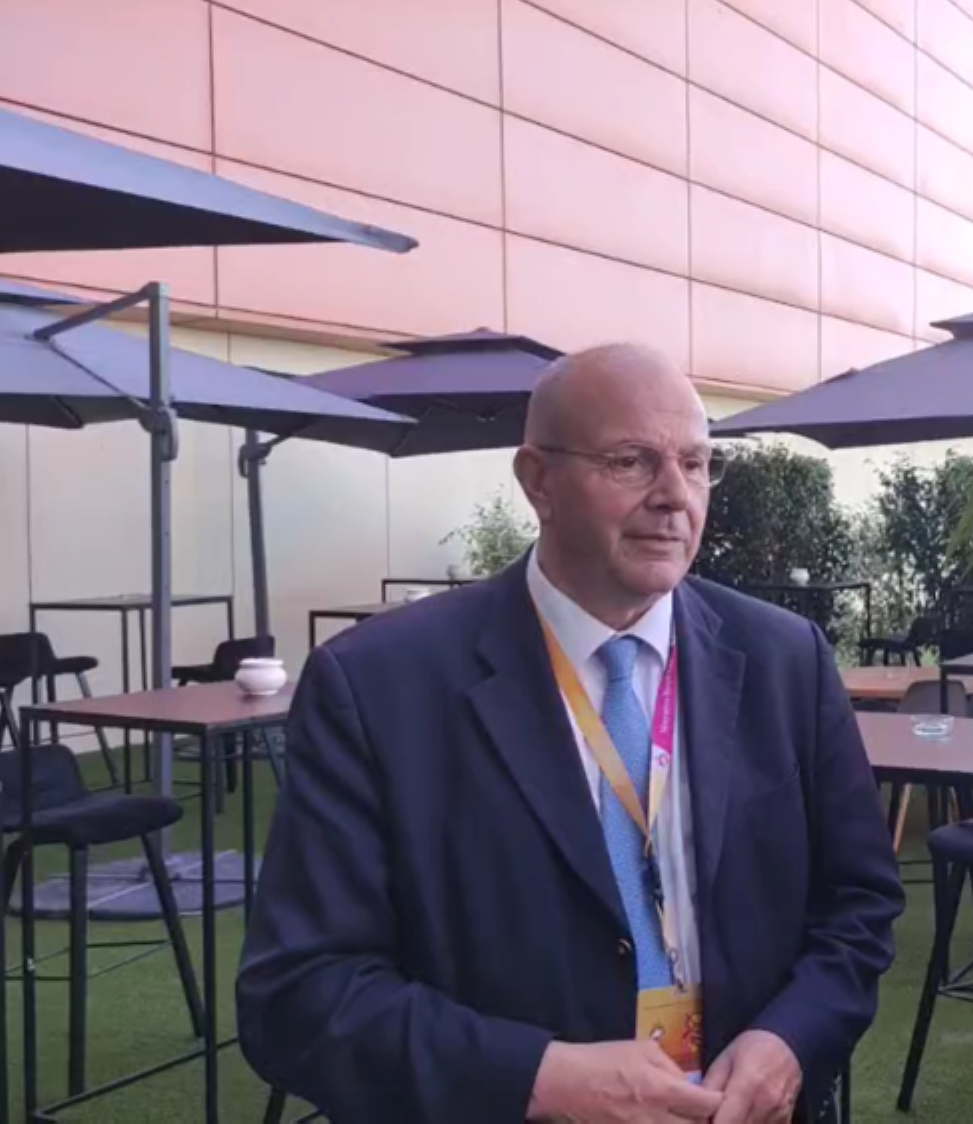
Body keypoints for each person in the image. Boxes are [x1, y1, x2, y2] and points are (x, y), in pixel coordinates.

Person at [238, 342, 905, 1123]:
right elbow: (299, 993)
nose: (674, 497)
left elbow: (858, 903)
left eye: (695, 464)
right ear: (538, 481)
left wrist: (790, 1039)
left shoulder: (783, 658)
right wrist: (536, 1078)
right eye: (631, 462)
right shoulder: (382, 687)